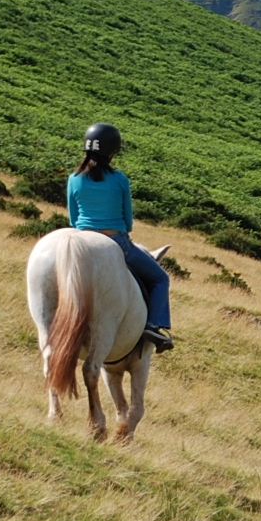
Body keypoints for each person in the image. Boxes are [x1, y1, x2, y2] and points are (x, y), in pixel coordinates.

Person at [66, 122, 172, 352]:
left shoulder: (73, 178)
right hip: (117, 241)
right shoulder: (120, 179)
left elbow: (73, 219)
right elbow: (128, 221)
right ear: (112, 152)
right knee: (160, 279)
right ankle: (154, 325)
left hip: (82, 241)